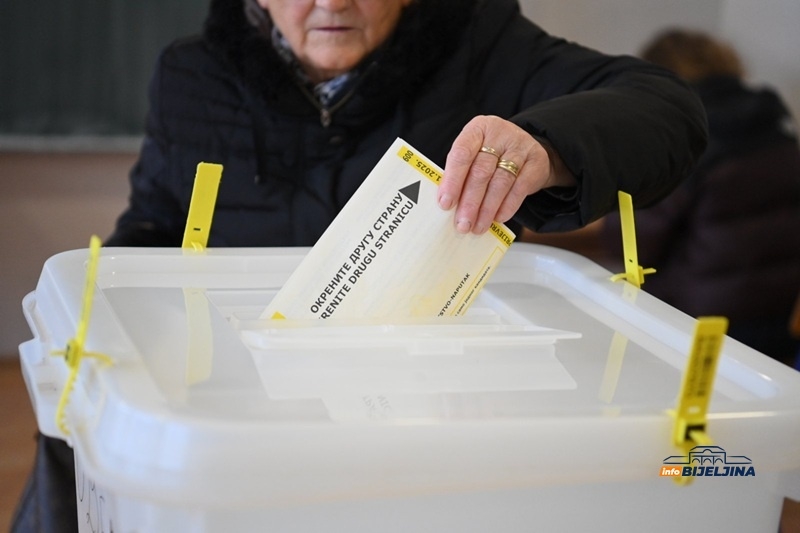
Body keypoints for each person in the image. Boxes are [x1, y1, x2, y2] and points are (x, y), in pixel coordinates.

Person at [12, 1, 707, 531]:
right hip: (232, 425)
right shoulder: (192, 75)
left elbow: (668, 109)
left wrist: (547, 145)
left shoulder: (480, 46)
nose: (331, 1)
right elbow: (154, 228)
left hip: (424, 436)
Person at [602, 28, 800, 368]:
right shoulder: (777, 126)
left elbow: (631, 242)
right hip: (781, 322)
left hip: (701, 327)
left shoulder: (684, 138)